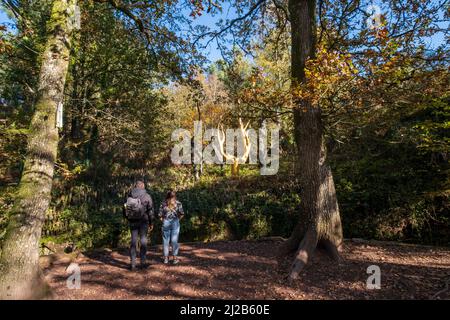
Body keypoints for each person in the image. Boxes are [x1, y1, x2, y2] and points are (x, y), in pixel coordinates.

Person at [123, 180, 154, 271]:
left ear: (136, 186)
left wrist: (128, 218)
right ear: (143, 186)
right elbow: (150, 210)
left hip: (132, 221)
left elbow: (125, 208)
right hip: (144, 221)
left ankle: (133, 264)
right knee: (143, 240)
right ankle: (143, 263)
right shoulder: (147, 196)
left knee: (133, 241)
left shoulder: (129, 195)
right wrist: (151, 222)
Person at [159, 190, 184, 265]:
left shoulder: (163, 203)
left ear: (167, 196)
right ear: (174, 196)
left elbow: (160, 215)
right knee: (174, 240)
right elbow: (182, 214)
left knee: (165, 241)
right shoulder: (178, 203)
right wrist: (177, 220)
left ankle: (166, 258)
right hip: (175, 222)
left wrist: (164, 221)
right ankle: (175, 258)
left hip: (166, 222)